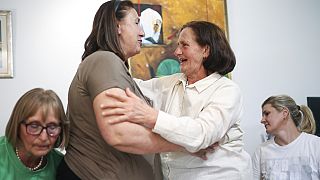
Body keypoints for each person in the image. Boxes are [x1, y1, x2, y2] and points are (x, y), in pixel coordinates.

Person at [101, 21, 253, 179]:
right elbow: (132, 86)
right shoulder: (171, 83)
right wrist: (103, 65)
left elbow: (201, 135)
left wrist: (151, 116)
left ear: (205, 50)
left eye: (184, 45)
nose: (177, 52)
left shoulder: (227, 90)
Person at [56, 1, 189, 179]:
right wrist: (185, 144)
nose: (142, 32)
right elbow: (118, 133)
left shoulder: (112, 65)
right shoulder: (104, 60)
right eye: (136, 23)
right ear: (117, 26)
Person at [0, 88, 69, 179]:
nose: (44, 137)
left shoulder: (61, 165)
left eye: (52, 127)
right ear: (17, 125)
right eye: (34, 126)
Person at [252, 95, 320, 179]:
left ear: (284, 113)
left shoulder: (316, 145)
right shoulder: (261, 151)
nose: (262, 120)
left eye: (267, 114)